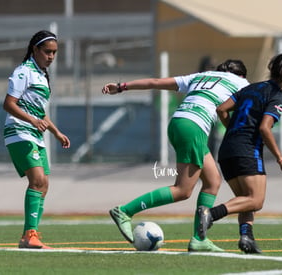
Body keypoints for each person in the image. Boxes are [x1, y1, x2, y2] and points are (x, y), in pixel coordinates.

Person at [101, 59, 250, 252]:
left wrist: (121, 87)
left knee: (213, 181)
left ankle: (199, 239)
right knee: (183, 190)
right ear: (242, 75)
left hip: (178, 122)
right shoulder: (242, 84)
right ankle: (124, 211)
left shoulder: (201, 76)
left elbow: (155, 82)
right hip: (195, 126)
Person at [197, 53, 282, 254]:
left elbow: (221, 109)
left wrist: (232, 129)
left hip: (227, 150)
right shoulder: (277, 95)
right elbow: (264, 128)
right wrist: (280, 158)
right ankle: (211, 214)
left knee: (245, 199)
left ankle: (247, 238)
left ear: (271, 69)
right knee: (256, 200)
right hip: (246, 150)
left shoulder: (249, 88)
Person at [3, 30, 71, 249]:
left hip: (34, 133)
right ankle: (29, 235)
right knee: (38, 180)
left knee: (44, 184)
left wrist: (56, 132)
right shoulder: (24, 72)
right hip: (19, 131)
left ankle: (28, 236)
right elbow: (9, 104)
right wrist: (32, 121)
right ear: (35, 50)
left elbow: (39, 111)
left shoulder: (41, 74)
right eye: (47, 52)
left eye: (54, 53)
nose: (51, 56)